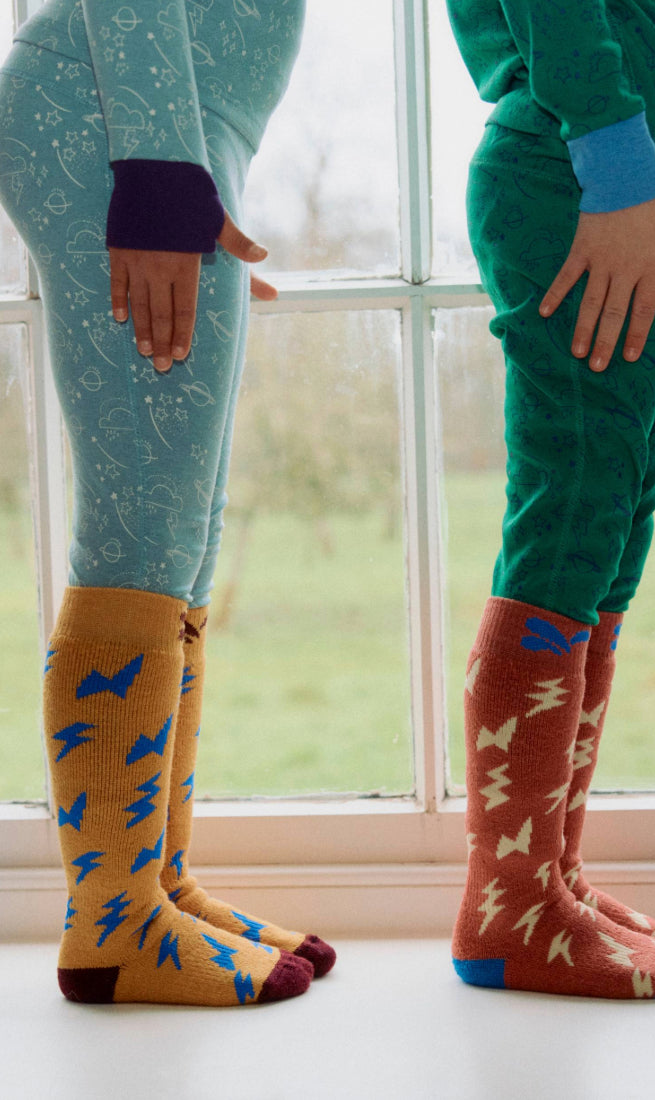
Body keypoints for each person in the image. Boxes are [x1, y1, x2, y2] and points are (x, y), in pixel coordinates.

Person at [0, 0, 335, 1005]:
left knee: (180, 528)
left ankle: (150, 884)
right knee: (144, 526)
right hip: (123, 119)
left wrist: (178, 163)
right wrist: (152, 176)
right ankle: (112, 925)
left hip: (158, 123)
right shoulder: (139, 149)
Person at [445, 0, 655, 999]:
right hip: (583, 178)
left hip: (630, 188)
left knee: (606, 533)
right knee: (568, 530)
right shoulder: (595, 161)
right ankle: (507, 905)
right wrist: (616, 163)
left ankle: (547, 877)